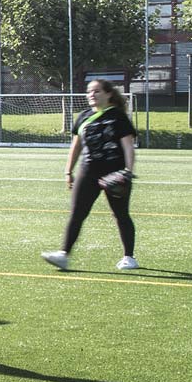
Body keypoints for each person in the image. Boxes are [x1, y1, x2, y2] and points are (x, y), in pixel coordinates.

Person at [44, 79, 140, 271]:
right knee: (77, 213)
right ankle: (64, 254)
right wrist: (68, 170)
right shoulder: (84, 117)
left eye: (96, 91)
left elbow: (128, 146)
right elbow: (76, 146)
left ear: (108, 94)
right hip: (87, 171)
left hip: (115, 171)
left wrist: (128, 172)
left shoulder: (118, 117)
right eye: (89, 92)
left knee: (120, 214)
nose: (91, 95)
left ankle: (129, 257)